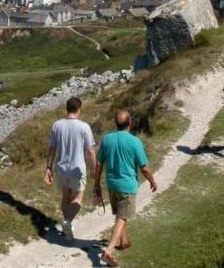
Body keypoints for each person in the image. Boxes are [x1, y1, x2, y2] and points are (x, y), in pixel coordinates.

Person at [93, 110, 157, 267]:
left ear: (116, 124)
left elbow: (99, 164)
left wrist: (96, 186)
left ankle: (123, 241)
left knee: (121, 214)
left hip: (111, 184)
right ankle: (109, 251)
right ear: (130, 123)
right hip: (127, 185)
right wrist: (152, 180)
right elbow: (144, 167)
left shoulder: (107, 139)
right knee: (123, 217)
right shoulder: (134, 141)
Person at [44, 96, 96, 241]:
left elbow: (52, 149)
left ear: (67, 108)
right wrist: (95, 167)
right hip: (77, 168)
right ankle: (68, 222)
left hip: (61, 167)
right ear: (79, 109)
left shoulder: (57, 125)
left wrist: (48, 167)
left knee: (65, 197)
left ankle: (67, 229)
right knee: (77, 198)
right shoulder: (84, 126)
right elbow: (90, 151)